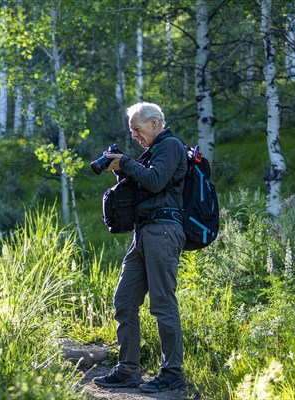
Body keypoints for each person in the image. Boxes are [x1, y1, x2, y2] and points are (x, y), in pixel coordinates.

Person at [92, 102, 188, 393]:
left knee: (162, 303)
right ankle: (128, 371)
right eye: (132, 130)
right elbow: (144, 186)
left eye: (137, 129)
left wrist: (127, 163)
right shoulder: (153, 152)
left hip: (164, 230)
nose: (134, 135)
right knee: (124, 300)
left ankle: (172, 373)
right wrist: (121, 170)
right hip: (144, 232)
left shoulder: (170, 146)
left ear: (155, 123)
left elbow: (157, 182)